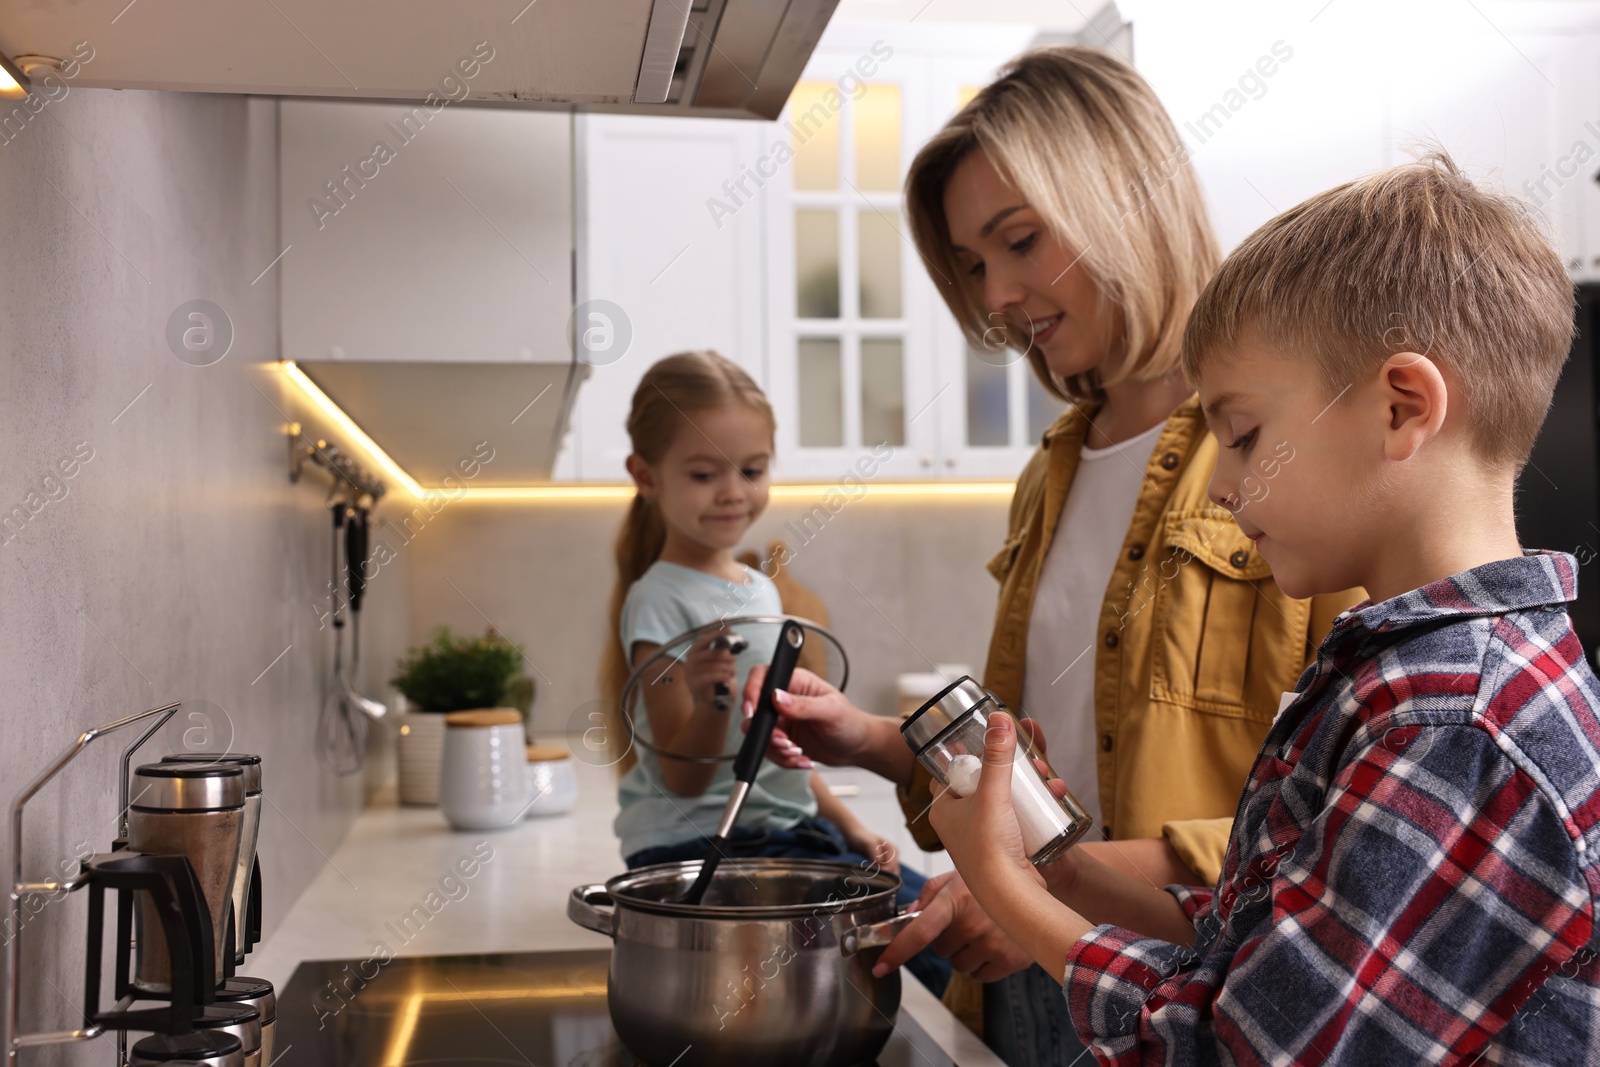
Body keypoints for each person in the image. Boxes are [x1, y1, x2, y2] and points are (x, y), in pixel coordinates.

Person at [745, 45, 1359, 1061]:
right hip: (1034, 973)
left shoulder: (1283, 452)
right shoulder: (1051, 471)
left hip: (1193, 988)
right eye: (975, 264)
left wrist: (1041, 881)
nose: (996, 294)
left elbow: (1349, 812)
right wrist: (872, 738)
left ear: (1125, 198)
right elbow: (1031, 765)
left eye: (1019, 240)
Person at [930, 153, 1600, 1063]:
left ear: (1402, 408)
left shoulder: (1456, 725)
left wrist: (1010, 890)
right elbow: (1255, 935)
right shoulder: (1398, 678)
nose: (1221, 484)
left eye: (1244, 435)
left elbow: (1227, 1047)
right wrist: (1066, 867)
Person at [598, 350, 949, 995]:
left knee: (937, 925)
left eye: (752, 470)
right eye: (704, 474)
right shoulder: (658, 600)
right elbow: (684, 772)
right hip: (696, 850)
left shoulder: (760, 591)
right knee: (926, 944)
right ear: (646, 477)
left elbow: (774, 744)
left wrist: (853, 827)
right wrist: (706, 701)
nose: (733, 491)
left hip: (785, 836)